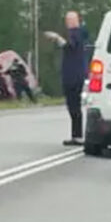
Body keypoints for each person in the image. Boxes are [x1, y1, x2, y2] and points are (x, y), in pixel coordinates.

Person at [46, 11, 87, 146]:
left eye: (70, 20)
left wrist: (57, 37)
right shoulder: (75, 33)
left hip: (74, 76)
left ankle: (78, 135)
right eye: (67, 20)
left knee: (74, 105)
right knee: (72, 105)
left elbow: (70, 46)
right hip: (73, 74)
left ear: (76, 20)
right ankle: (76, 135)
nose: (68, 22)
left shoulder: (77, 33)